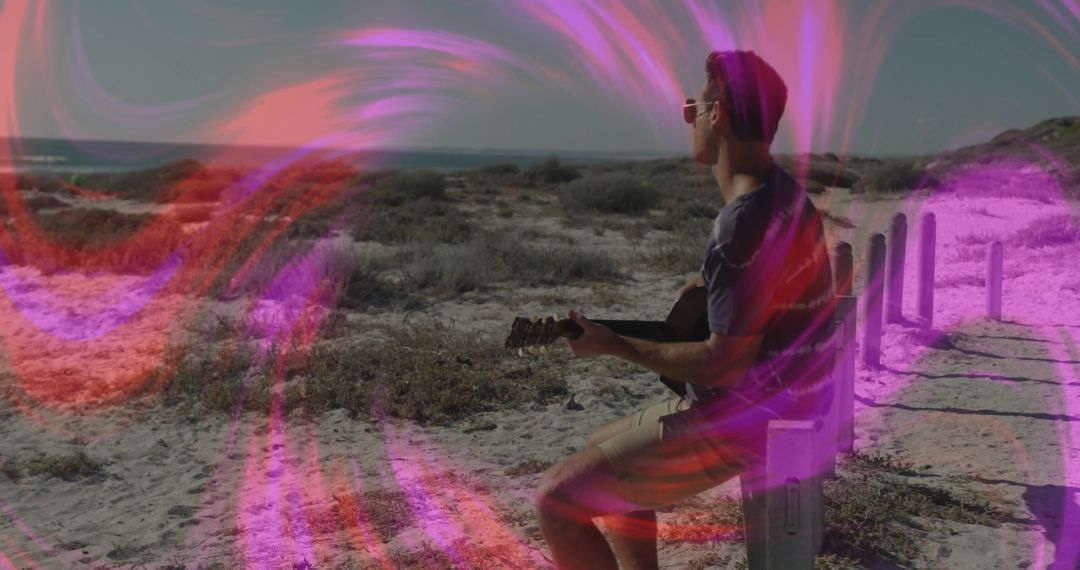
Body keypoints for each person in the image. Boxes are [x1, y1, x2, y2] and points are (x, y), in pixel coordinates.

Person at [535, 50, 836, 570]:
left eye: (691, 107)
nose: (688, 118)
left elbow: (724, 364)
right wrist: (712, 287)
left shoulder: (741, 222)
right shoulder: (782, 196)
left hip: (753, 421)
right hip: (793, 401)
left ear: (717, 114)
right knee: (599, 443)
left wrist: (613, 344)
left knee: (556, 498)